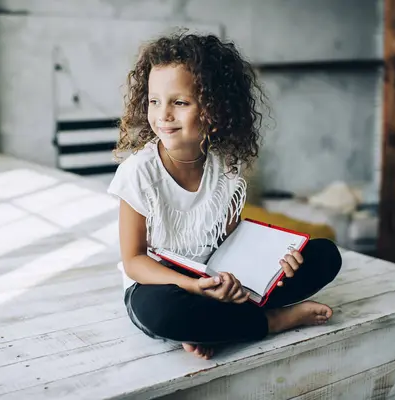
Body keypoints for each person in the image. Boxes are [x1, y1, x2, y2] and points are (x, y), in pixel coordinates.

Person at [107, 32, 341, 360]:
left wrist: (274, 261)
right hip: (165, 285)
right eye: (154, 100)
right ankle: (270, 321)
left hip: (221, 280)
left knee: (324, 255)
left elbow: (231, 240)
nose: (163, 115)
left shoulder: (226, 167)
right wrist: (192, 286)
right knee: (159, 311)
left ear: (213, 110)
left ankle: (213, 326)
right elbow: (134, 262)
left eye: (180, 102)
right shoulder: (139, 173)